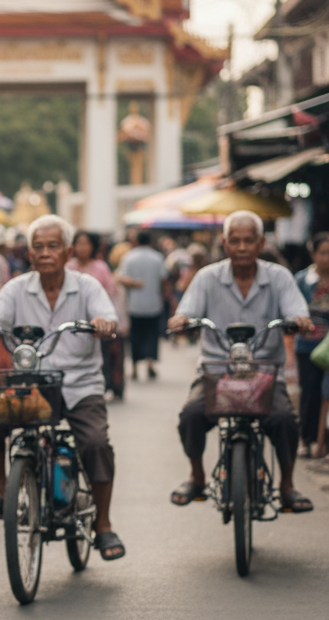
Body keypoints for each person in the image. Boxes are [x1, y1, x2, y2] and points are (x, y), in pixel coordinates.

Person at [0, 215, 125, 561]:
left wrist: (103, 325)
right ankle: (1, 490)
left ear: (69, 251)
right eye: (38, 247)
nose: (45, 253)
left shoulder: (87, 287)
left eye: (53, 246)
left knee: (96, 443)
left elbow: (108, 320)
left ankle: (103, 522)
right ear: (28, 253)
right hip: (31, 386)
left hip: (80, 385)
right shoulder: (16, 288)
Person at [168, 210, 314, 512]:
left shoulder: (279, 277)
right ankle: (196, 476)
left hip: (264, 375)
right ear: (225, 244)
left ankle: (287, 485)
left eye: (249, 241)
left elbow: (296, 308)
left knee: (285, 420)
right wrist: (181, 319)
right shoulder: (207, 277)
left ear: (261, 244)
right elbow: (187, 309)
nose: (243, 247)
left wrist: (299, 319)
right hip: (217, 374)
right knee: (190, 416)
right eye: (235, 241)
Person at [68, 230, 126, 399]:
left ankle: (104, 386)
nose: (82, 248)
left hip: (98, 321)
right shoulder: (68, 267)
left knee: (104, 355)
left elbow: (112, 293)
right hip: (74, 322)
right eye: (78, 244)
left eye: (86, 244)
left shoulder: (100, 267)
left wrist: (110, 318)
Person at [294, 232, 329, 458]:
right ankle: (306, 439)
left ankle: (323, 442)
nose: (327, 258)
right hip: (307, 346)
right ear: (313, 254)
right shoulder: (301, 280)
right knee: (309, 393)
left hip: (328, 348)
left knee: (327, 394)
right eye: (324, 253)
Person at [117, 230, 167, 381]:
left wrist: (133, 283)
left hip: (135, 305)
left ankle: (134, 368)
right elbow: (164, 280)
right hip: (154, 303)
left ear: (136, 241)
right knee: (152, 335)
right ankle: (150, 365)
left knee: (135, 336)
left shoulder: (129, 257)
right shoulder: (158, 258)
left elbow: (122, 278)